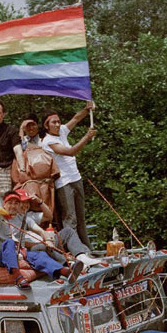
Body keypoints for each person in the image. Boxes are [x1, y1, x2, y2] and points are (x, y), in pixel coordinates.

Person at [0, 189, 82, 290]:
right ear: (4, 205)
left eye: (16, 203)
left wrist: (48, 241)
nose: (13, 206)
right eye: (10, 203)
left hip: (21, 253)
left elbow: (41, 231)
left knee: (39, 255)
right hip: (2, 255)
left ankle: (65, 272)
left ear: (19, 205)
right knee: (9, 242)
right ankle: (18, 277)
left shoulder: (24, 218)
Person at [42, 102, 97, 245]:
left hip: (76, 178)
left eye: (59, 121)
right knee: (70, 218)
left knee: (81, 217)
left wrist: (87, 109)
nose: (58, 124)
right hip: (64, 182)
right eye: (53, 122)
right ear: (46, 125)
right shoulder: (48, 141)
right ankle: (73, 251)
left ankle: (87, 249)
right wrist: (87, 136)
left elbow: (76, 119)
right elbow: (70, 152)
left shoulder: (62, 131)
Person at [12, 118, 60, 226]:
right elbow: (19, 148)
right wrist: (21, 129)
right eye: (27, 126)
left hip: (45, 184)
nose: (31, 128)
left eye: (33, 125)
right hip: (28, 182)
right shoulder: (22, 143)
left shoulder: (44, 140)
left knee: (48, 212)